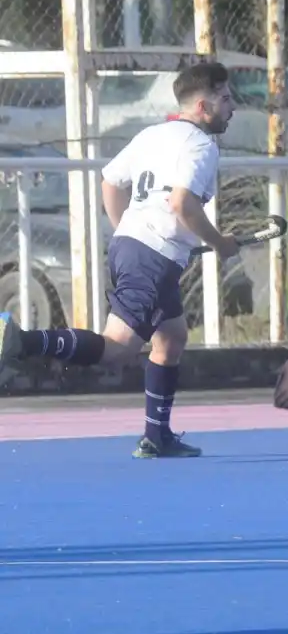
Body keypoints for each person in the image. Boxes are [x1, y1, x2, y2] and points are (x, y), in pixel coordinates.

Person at [0, 62, 240, 458]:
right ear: (202, 105)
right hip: (153, 258)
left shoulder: (152, 134)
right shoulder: (201, 146)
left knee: (172, 337)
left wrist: (128, 229)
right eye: (226, 99)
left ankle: (157, 436)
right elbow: (182, 203)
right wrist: (218, 242)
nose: (232, 108)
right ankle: (23, 341)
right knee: (117, 347)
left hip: (132, 247)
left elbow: (111, 181)